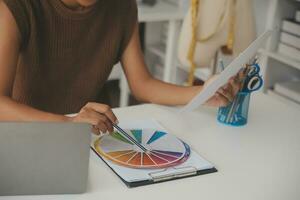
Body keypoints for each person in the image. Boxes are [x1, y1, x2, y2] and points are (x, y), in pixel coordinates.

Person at [0, 0, 241, 135]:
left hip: (92, 136)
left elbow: (142, 84)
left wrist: (202, 93)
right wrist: (67, 124)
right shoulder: (16, 6)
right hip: (30, 134)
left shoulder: (122, 6)